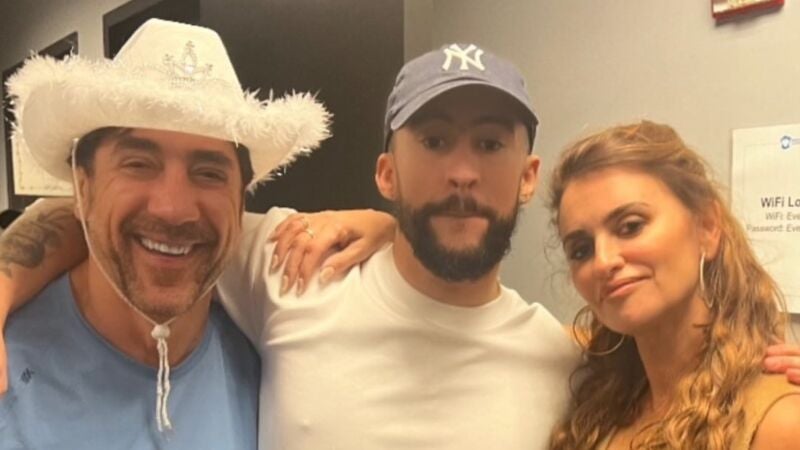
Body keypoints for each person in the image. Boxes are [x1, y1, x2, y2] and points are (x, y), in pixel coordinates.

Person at [2, 45, 799, 450]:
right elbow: (122, 222)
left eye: (489, 144)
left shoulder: (569, 366)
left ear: (526, 178)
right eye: (435, 141)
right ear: (388, 171)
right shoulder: (294, 263)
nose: (462, 172)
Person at [0, 18, 332, 448]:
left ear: (240, 203)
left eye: (209, 173)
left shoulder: (273, 366)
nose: (173, 209)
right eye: (139, 164)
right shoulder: (12, 374)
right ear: (83, 188)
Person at [546, 121, 800, 450]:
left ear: (707, 227)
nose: (603, 261)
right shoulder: (598, 407)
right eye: (581, 250)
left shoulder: (779, 422)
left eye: (630, 226)